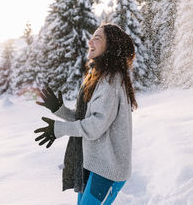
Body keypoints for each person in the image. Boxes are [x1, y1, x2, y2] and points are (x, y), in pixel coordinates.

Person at [34, 23, 137, 205]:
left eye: (98, 38)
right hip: (93, 163)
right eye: (92, 36)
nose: (90, 41)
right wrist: (60, 110)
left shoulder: (111, 81)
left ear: (111, 46)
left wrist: (60, 129)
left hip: (108, 170)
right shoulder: (100, 77)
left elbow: (95, 126)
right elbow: (88, 120)